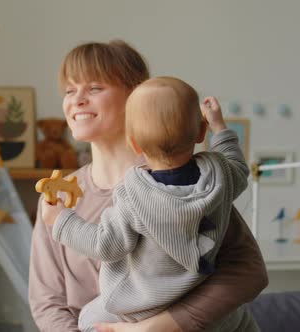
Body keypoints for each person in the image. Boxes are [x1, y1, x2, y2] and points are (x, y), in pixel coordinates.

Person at [29, 40, 268, 332]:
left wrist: (155, 328)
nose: (76, 100)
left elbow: (248, 272)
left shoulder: (186, 182)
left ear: (135, 97)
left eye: (94, 88)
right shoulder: (58, 196)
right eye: (69, 90)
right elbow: (47, 301)